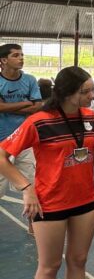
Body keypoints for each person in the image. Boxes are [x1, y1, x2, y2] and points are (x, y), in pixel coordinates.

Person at [0, 67, 94, 279]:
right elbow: (3, 156)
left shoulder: (90, 118)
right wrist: (26, 187)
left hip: (85, 202)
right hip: (50, 204)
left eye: (92, 90)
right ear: (68, 94)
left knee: (78, 260)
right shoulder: (39, 121)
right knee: (50, 265)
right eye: (86, 92)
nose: (93, 95)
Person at [0, 43, 42, 201]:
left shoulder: (30, 80)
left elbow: (37, 107)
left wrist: (6, 107)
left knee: (31, 187)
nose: (21, 58)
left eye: (22, 55)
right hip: (2, 140)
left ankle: (34, 226)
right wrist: (25, 103)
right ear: (3, 60)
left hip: (25, 140)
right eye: (16, 55)